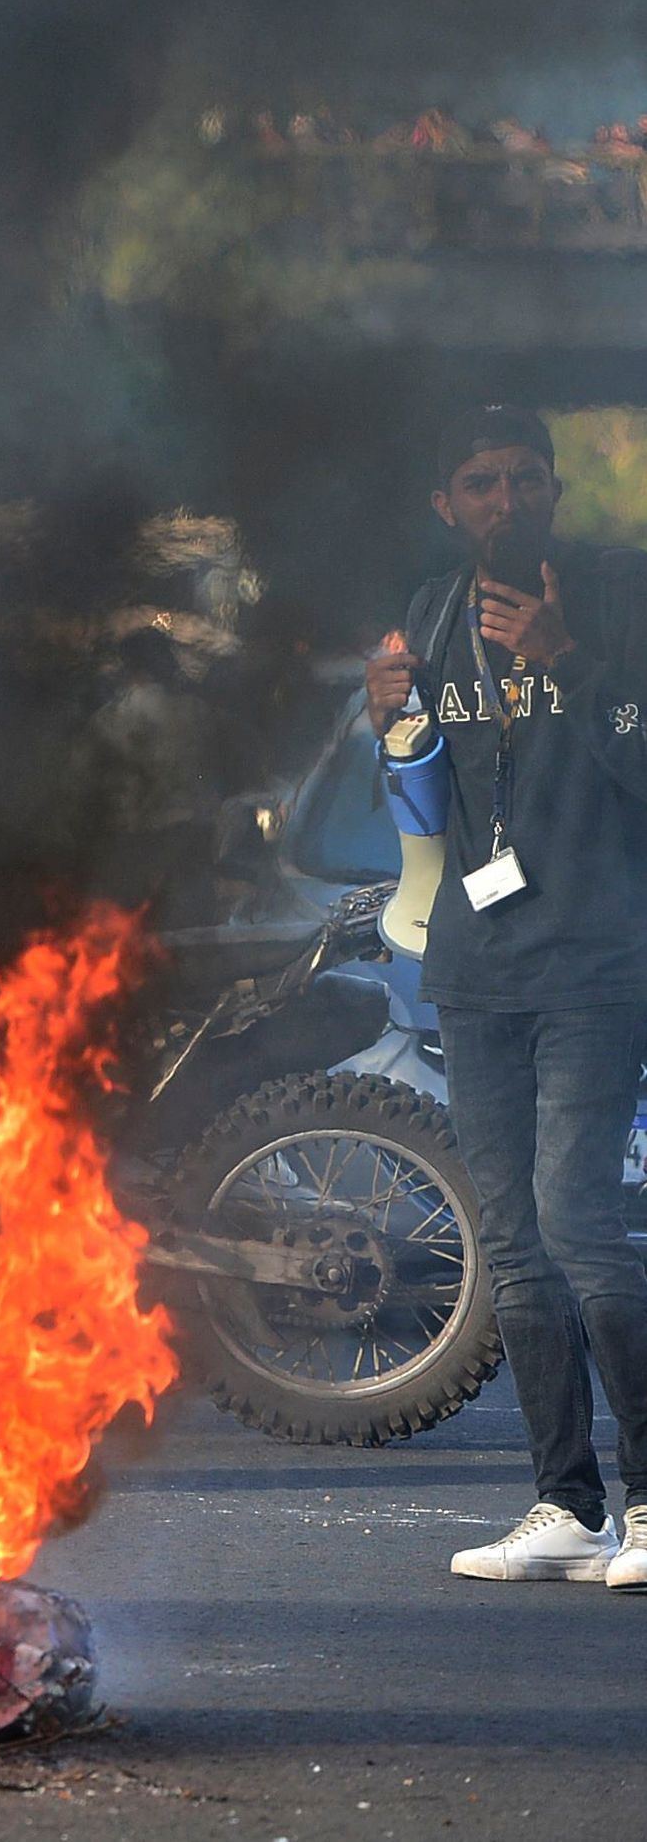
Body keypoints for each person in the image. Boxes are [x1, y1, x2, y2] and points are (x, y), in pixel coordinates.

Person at [367, 405, 647, 1588]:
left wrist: (566, 664)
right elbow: (423, 806)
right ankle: (563, 1506)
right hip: (476, 968)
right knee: (514, 1247)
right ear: (445, 503)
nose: (502, 499)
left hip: (594, 959)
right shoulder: (431, 613)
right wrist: (390, 729)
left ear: (552, 491)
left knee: (579, 1224)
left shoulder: (616, 595)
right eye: (477, 482)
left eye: (521, 478)